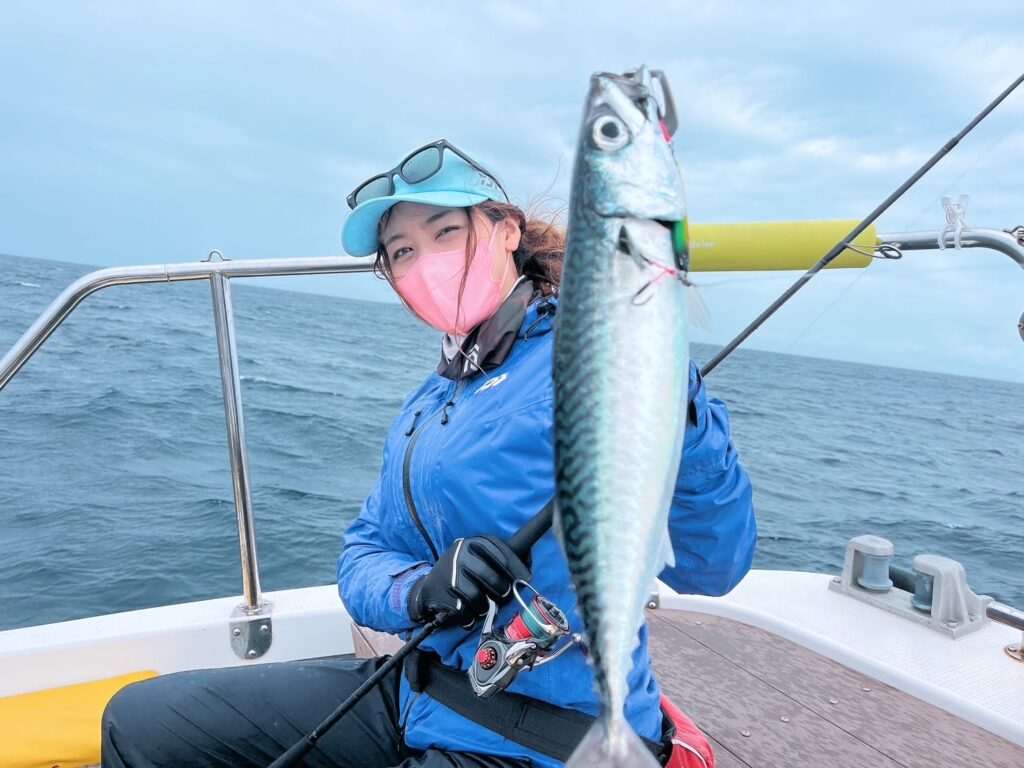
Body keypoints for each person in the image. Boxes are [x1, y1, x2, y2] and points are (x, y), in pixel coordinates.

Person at [100, 139, 756, 768]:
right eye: (403, 251)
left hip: (550, 737)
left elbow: (712, 565)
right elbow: (364, 549)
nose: (426, 263)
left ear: (506, 230)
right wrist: (420, 590)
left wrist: (684, 414)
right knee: (139, 721)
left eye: (446, 233)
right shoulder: (434, 397)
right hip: (421, 689)